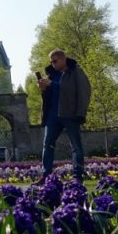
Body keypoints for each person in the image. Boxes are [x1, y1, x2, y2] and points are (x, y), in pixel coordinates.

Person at [37, 49, 92, 181]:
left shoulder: (76, 72)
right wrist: (44, 89)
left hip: (70, 114)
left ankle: (77, 176)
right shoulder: (52, 75)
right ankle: (46, 176)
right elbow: (50, 95)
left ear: (63, 59)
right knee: (47, 145)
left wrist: (80, 113)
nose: (53, 64)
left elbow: (82, 91)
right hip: (53, 115)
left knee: (75, 146)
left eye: (55, 61)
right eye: (51, 62)